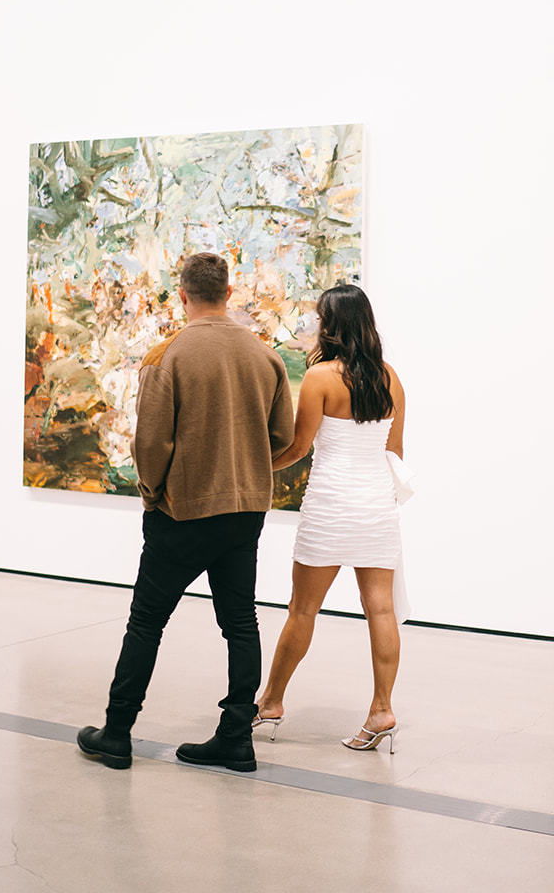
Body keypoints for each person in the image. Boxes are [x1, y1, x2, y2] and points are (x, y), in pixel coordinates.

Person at [77, 252, 294, 774]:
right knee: (241, 622)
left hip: (183, 512)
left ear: (182, 293)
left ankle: (119, 733)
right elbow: (283, 437)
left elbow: (151, 444)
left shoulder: (165, 355)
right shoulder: (265, 357)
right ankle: (236, 737)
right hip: (244, 511)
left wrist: (154, 494)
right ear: (229, 290)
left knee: (146, 623)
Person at [255, 283, 407, 752]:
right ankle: (382, 709)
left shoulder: (321, 378)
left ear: (332, 325)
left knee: (302, 609)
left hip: (331, 504)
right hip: (376, 506)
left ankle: (270, 703)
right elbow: (395, 452)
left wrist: (257, 465)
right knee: (381, 610)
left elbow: (298, 449)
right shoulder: (390, 379)